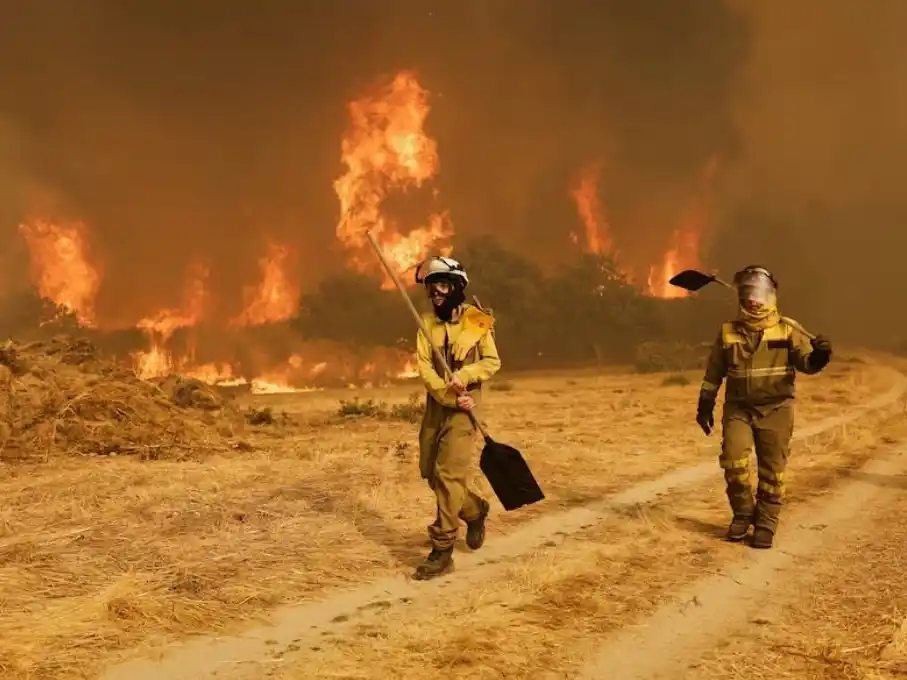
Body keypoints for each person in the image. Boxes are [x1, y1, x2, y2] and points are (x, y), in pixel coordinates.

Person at [696, 265, 833, 549]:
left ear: (770, 297)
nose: (753, 301)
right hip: (739, 410)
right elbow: (713, 373)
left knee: (773, 473)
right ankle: (744, 513)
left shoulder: (787, 329)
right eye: (748, 294)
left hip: (777, 410)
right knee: (733, 462)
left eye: (759, 294)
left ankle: (766, 522)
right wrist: (705, 404)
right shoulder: (728, 332)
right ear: (741, 297)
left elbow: (807, 365)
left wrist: (820, 355)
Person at [411, 255, 501, 580]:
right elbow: (424, 369)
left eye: (443, 286)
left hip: (466, 409)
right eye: (432, 288)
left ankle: (442, 549)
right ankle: (474, 511)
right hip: (440, 405)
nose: (437, 293)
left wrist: (466, 375)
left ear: (457, 288)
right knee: (430, 473)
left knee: (448, 475)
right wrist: (447, 392)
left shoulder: (477, 321)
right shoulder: (425, 324)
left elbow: (492, 362)